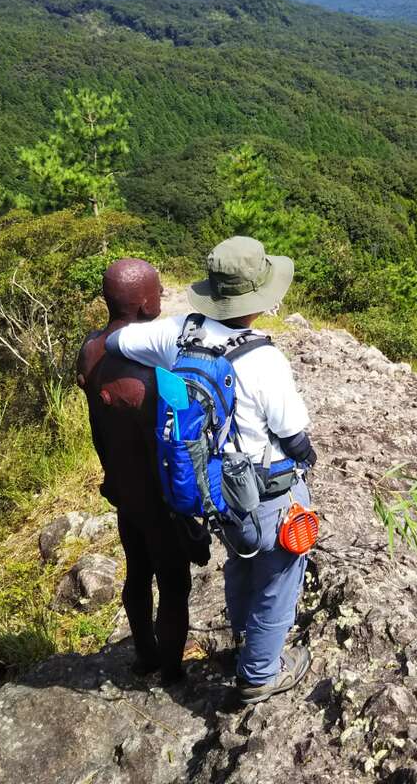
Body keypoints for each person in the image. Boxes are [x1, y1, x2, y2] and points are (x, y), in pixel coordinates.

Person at [105, 236, 317, 704]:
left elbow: (117, 340)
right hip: (269, 490)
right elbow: (293, 434)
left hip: (216, 486)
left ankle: (243, 640)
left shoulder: (179, 332)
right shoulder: (264, 358)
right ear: (258, 297)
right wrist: (308, 458)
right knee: (278, 579)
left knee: (241, 561)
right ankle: (260, 673)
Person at [77, 258, 193, 686]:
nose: (161, 295)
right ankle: (172, 671)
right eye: (157, 290)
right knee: (174, 582)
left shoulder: (91, 348)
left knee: (137, 570)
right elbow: (171, 442)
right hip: (158, 494)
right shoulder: (150, 366)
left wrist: (109, 474)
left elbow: (97, 424)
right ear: (145, 303)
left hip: (123, 486)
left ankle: (145, 655)